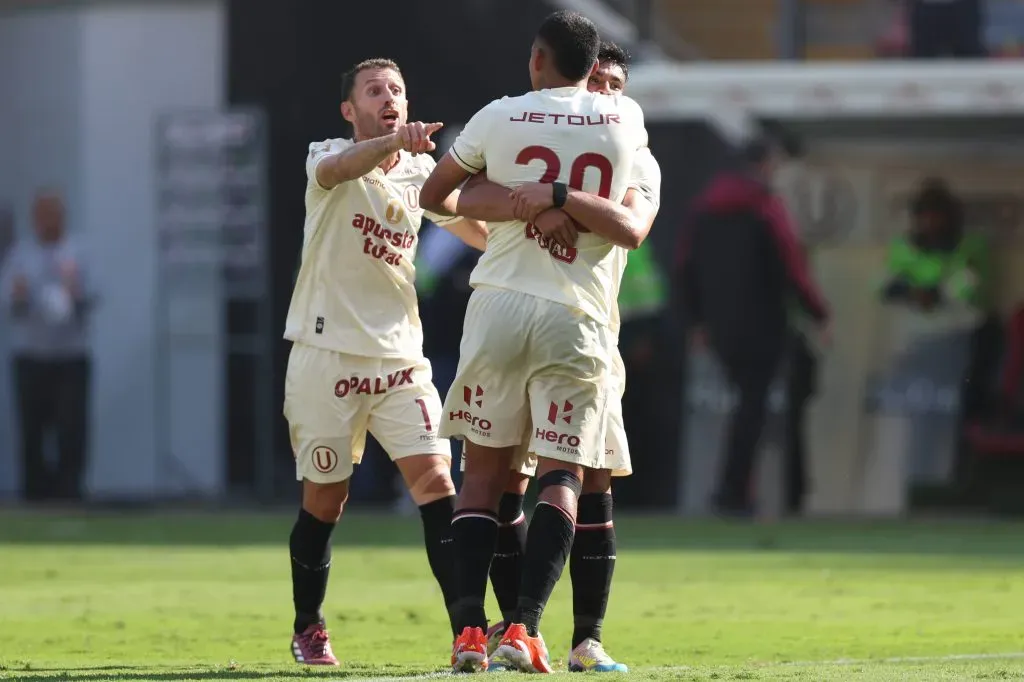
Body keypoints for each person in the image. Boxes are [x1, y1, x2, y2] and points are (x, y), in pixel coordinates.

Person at [420, 13, 650, 673]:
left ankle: (472, 634)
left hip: (497, 305)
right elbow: (631, 225)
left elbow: (441, 196)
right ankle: (522, 628)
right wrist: (553, 205)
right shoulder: (627, 125)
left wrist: (537, 200)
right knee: (561, 475)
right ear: (591, 70)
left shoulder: (500, 115)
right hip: (573, 317)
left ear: (537, 59)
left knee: (484, 477)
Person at [283, 57, 487, 666]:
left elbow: (469, 225)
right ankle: (308, 625)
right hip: (326, 354)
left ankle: (466, 633)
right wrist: (391, 142)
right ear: (351, 110)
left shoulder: (422, 171)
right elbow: (344, 165)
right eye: (374, 91)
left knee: (437, 484)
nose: (388, 97)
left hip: (400, 358)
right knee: (326, 499)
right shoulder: (328, 156)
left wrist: (519, 236)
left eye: (396, 89)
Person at [675, 137, 831, 517]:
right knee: (754, 407)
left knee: (743, 404)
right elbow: (792, 266)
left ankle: (732, 488)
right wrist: (818, 313)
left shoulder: (702, 210)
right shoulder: (766, 208)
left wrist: (697, 321)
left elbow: (684, 268)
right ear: (762, 166)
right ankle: (735, 492)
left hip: (720, 329)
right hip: (764, 325)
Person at [1, 191, 94, 503]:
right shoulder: (20, 256)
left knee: (71, 431)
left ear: (63, 216)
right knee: (32, 432)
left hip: (70, 357)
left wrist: (75, 289)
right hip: (31, 356)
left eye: (52, 214)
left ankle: (69, 495)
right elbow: (8, 303)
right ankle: (35, 497)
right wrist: (18, 295)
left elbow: (95, 295)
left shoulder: (79, 251)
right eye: (41, 215)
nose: (47, 221)